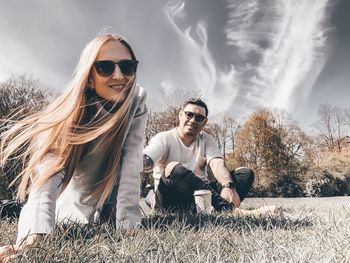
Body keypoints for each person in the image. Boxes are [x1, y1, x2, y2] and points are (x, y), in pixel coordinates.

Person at [0, 33, 147, 260]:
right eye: (105, 68)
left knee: (109, 216)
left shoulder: (136, 100)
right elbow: (48, 176)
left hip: (109, 192)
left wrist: (129, 225)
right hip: (72, 199)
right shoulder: (71, 113)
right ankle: (9, 206)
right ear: (89, 77)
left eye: (127, 66)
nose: (119, 76)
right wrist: (34, 238)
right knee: (30, 209)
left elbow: (131, 162)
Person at [143, 98, 275, 215]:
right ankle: (229, 210)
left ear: (204, 122)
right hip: (171, 199)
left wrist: (228, 186)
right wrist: (144, 161)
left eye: (199, 118)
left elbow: (217, 163)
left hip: (202, 194)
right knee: (172, 167)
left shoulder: (206, 139)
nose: (193, 120)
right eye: (189, 115)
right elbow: (150, 155)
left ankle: (211, 207)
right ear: (181, 115)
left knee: (245, 173)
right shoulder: (164, 138)